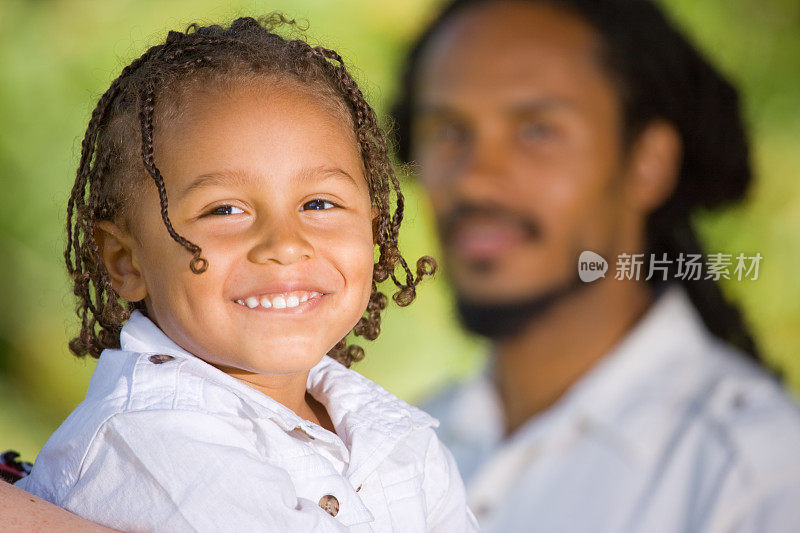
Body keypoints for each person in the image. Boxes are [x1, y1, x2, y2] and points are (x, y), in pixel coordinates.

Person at [14, 15, 477, 533]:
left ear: (373, 228)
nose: (284, 245)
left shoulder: (391, 433)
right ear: (127, 260)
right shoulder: (153, 440)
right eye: (224, 211)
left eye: (319, 203)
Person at [391, 0, 800, 531]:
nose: (473, 179)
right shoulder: (394, 447)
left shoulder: (754, 477)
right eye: (447, 131)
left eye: (536, 130)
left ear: (649, 164)